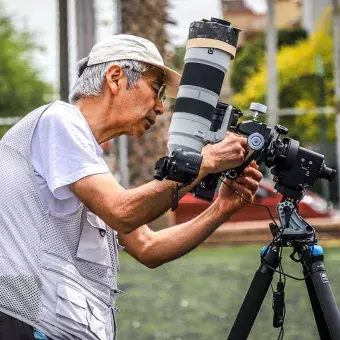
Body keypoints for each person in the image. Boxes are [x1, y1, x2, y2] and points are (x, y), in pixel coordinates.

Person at [0, 34, 262, 340]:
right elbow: (122, 212)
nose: (161, 107)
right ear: (115, 78)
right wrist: (205, 161)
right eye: (156, 90)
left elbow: (148, 247)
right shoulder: (59, 121)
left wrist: (221, 209)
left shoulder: (86, 161)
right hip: (25, 326)